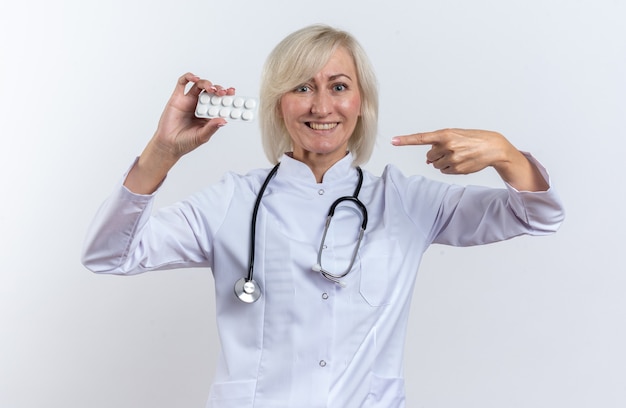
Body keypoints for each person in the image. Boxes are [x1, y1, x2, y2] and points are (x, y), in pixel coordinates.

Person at [81, 24, 564, 408]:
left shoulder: (406, 203)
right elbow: (109, 254)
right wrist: (162, 151)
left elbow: (537, 215)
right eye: (301, 87)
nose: (321, 106)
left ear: (361, 103)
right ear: (278, 105)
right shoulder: (233, 202)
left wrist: (506, 155)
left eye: (338, 86)